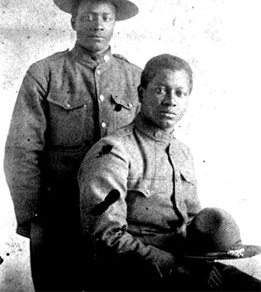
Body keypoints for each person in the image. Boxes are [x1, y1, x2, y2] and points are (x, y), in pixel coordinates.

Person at [4, 0, 141, 291]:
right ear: (73, 21)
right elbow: (21, 151)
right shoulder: (44, 74)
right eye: (89, 15)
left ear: (114, 23)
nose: (97, 24)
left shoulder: (135, 79)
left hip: (119, 222)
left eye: (105, 16)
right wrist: (33, 218)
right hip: (57, 220)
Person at [78, 54, 261, 291]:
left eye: (180, 93)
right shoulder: (114, 151)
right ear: (141, 93)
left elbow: (194, 223)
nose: (170, 101)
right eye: (161, 90)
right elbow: (105, 236)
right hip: (135, 272)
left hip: (186, 265)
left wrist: (204, 265)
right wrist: (175, 267)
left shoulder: (183, 153)